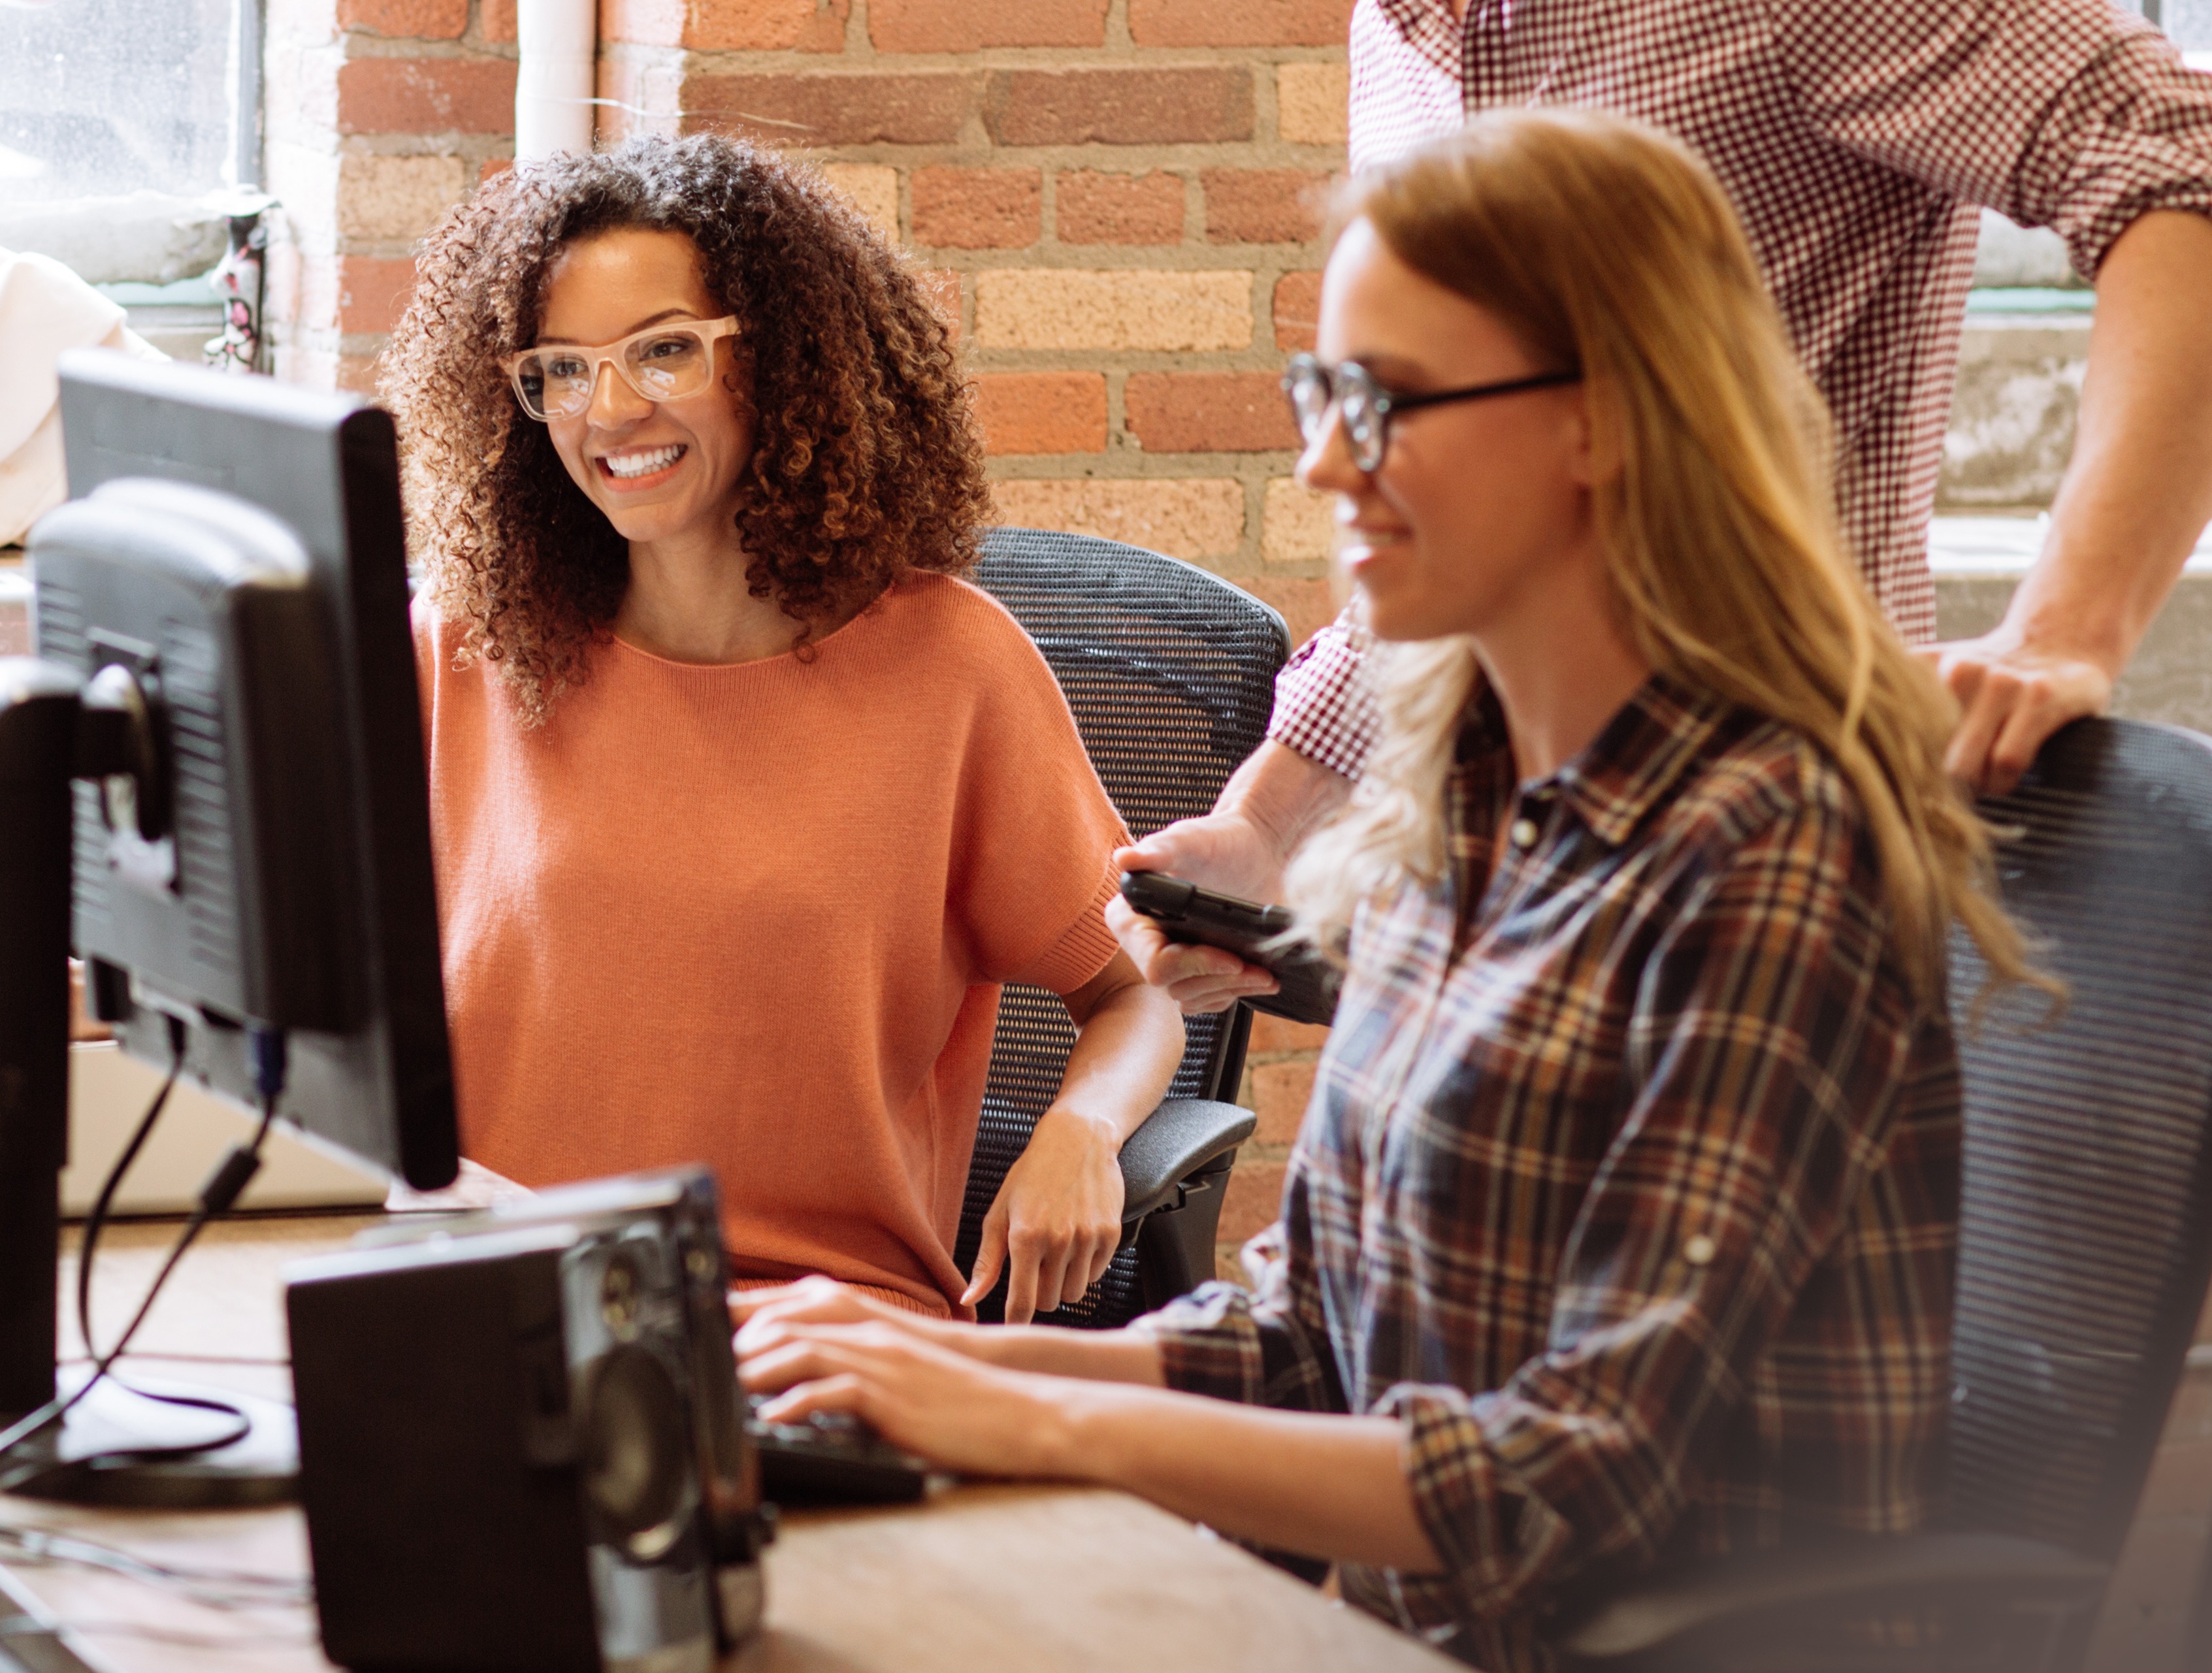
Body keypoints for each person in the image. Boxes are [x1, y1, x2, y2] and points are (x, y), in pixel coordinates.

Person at [734, 110, 2028, 1670]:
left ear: (1602, 420)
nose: (1317, 459)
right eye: (1320, 391)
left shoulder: (1769, 854)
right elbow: (1306, 1338)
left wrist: (1017, 1415)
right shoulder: (1461, 804)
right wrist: (924, 1364)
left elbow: (1567, 1477)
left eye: (1384, 400)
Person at [1126, 0, 2212, 1016]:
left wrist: (2069, 627)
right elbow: (1464, 490)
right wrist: (1268, 825)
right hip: (1494, 877)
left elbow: (2182, 153)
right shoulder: (1396, 25)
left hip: (1758, 862)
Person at [373, 135, 1187, 1322]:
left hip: (810, 1321)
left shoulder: (952, 669)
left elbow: (1136, 993)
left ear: (788, 360)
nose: (607, 411)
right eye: (559, 368)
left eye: (664, 351)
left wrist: (1082, 1129)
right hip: (484, 1292)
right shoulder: (464, 642)